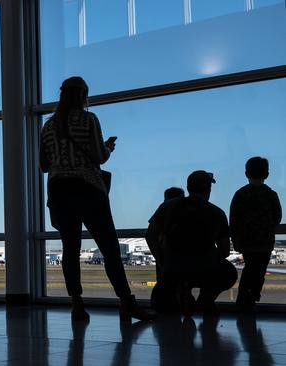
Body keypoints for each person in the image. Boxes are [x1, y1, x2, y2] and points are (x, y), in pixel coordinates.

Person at [40, 76, 152, 322]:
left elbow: (43, 165)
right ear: (83, 95)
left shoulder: (48, 126)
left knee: (70, 249)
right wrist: (108, 147)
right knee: (110, 248)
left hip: (59, 192)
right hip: (88, 188)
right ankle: (125, 302)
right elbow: (100, 157)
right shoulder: (88, 119)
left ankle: (77, 304)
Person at [148, 170, 237, 316]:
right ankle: (205, 299)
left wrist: (163, 261)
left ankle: (183, 290)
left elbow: (150, 235)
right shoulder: (217, 213)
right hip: (205, 268)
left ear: (188, 187)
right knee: (229, 273)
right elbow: (225, 251)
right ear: (209, 189)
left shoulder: (168, 207)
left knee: (163, 305)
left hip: (173, 268)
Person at [230, 157, 282, 313]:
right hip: (265, 242)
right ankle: (252, 297)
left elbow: (234, 219)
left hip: (247, 242)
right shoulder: (271, 194)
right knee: (259, 272)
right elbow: (277, 217)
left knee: (249, 270)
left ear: (246, 173)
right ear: (267, 174)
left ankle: (245, 300)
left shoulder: (240, 194)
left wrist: (236, 239)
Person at [146, 187, 185, 313]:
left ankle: (164, 308)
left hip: (165, 254)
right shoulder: (185, 209)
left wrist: (159, 257)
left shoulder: (164, 208)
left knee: (164, 283)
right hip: (182, 257)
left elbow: (150, 235)